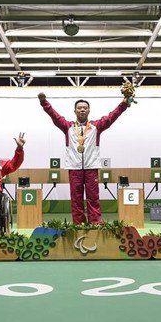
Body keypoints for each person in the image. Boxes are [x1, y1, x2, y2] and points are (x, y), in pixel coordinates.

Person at [38, 93, 130, 224]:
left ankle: (95, 223)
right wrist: (44, 102)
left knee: (93, 197)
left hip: (91, 167)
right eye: (79, 108)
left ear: (89, 111)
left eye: (85, 108)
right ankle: (79, 223)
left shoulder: (96, 126)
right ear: (74, 111)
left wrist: (124, 104)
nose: (82, 110)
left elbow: (111, 117)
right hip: (74, 168)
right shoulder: (67, 126)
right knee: (76, 198)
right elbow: (55, 116)